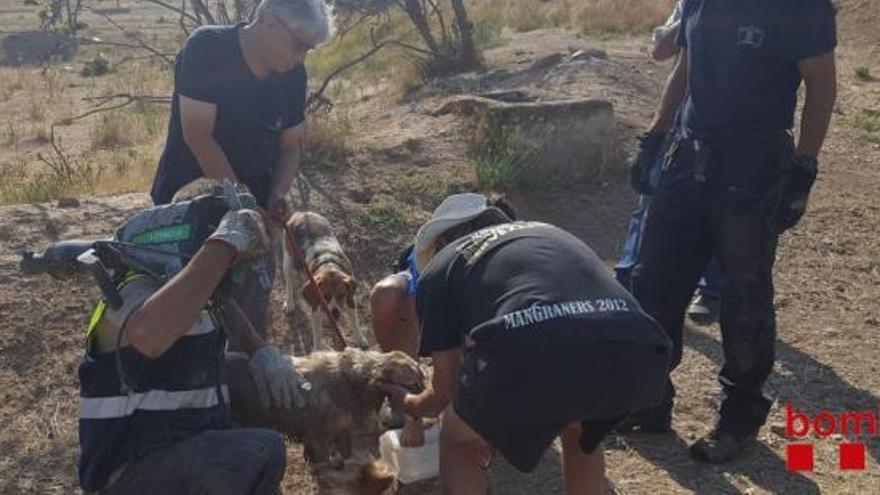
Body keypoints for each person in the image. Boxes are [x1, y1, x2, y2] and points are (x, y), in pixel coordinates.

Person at [628, 0, 837, 462]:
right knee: (654, 282)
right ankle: (650, 402)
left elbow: (821, 81)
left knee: (745, 300)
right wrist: (656, 134)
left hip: (753, 164)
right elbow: (686, 65)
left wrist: (803, 166)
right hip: (687, 155)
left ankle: (739, 420)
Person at [381, 193, 672, 495]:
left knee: (459, 443)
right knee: (581, 431)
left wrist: (410, 403)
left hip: (538, 349)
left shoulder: (442, 266)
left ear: (440, 243)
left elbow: (445, 392)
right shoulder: (549, 233)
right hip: (639, 348)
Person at [78, 179, 309, 494]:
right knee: (259, 449)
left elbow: (225, 310)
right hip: (130, 470)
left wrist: (262, 354)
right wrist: (224, 244)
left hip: (179, 453)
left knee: (243, 383)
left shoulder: (205, 296)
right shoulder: (132, 286)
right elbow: (150, 335)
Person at [149, 0, 333, 341]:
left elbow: (290, 146)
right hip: (188, 207)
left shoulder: (292, 76)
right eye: (299, 45)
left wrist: (277, 193)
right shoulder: (208, 48)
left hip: (256, 214)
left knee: (249, 319)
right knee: (186, 323)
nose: (301, 57)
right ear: (269, 23)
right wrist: (244, 204)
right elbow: (198, 136)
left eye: (308, 49)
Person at [615, 0, 723, 326]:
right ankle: (627, 277)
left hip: (736, 125)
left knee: (719, 205)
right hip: (682, 118)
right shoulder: (690, 4)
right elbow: (661, 49)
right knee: (651, 194)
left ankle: (711, 290)